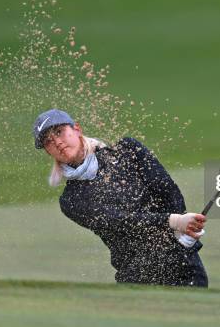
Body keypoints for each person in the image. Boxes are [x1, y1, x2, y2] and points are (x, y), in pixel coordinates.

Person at [33, 108, 208, 287]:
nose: (57, 142)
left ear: (77, 129)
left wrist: (183, 233)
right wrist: (175, 221)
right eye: (48, 141)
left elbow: (168, 190)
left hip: (186, 265)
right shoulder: (71, 200)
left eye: (59, 132)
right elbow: (121, 220)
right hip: (139, 276)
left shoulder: (127, 150)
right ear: (48, 152)